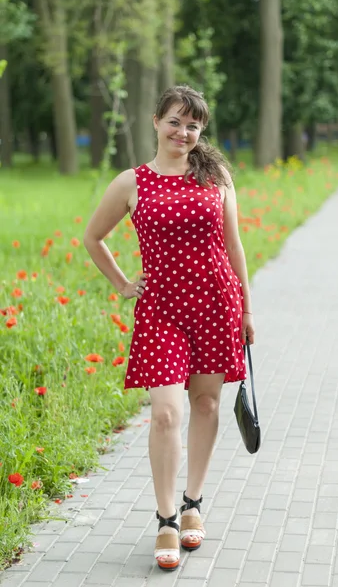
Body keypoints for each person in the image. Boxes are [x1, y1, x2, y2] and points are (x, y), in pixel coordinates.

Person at [83, 85, 255, 571]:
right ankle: (165, 519)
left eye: (194, 125)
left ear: (201, 131)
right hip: (161, 310)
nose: (184, 132)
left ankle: (194, 502)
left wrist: (246, 309)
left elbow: (234, 246)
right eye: (176, 122)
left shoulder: (215, 174)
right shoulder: (131, 182)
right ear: (156, 120)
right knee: (164, 414)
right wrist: (121, 284)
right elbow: (93, 238)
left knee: (205, 403)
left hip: (216, 304)